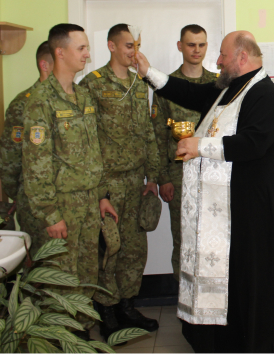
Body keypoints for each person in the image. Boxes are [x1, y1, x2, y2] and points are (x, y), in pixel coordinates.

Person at [135, 31, 274, 353]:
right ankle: (223, 339)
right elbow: (189, 92)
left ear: (242, 57)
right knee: (233, 273)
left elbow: (254, 143)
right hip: (231, 202)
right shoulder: (229, 88)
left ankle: (252, 343)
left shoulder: (265, 94)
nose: (217, 61)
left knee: (250, 275)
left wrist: (199, 146)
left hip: (254, 203)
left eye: (222, 55)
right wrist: (148, 72)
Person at [22, 24, 118, 340]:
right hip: (61, 207)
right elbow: (36, 165)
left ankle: (81, 335)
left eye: (87, 47)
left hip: (89, 204)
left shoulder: (83, 95)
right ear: (60, 52)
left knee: (87, 275)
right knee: (60, 280)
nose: (87, 54)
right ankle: (59, 340)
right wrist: (50, 214)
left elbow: (94, 151)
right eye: (81, 48)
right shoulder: (40, 100)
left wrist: (102, 195)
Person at [80, 24, 161, 340]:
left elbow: (148, 133)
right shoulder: (93, 84)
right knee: (109, 249)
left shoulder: (140, 84)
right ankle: (107, 311)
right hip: (108, 184)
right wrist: (100, 191)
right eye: (129, 45)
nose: (134, 52)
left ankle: (128, 306)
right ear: (111, 46)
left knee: (134, 249)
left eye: (137, 46)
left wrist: (152, 177)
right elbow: (87, 141)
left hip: (136, 181)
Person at [150, 24, 217, 281]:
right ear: (180, 46)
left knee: (213, 236)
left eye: (201, 45)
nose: (196, 50)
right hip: (179, 175)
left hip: (213, 173)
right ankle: (183, 293)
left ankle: (211, 291)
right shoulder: (167, 86)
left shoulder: (218, 84)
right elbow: (157, 136)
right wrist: (163, 178)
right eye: (191, 45)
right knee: (183, 238)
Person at [0, 41, 53, 245]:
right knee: (41, 257)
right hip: (35, 202)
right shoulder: (24, 103)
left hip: (68, 201)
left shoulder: (70, 100)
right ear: (44, 65)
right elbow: (8, 158)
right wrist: (21, 194)